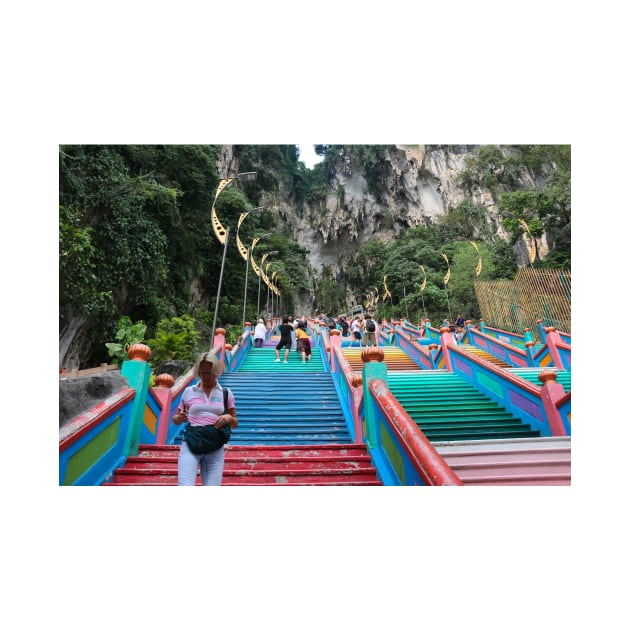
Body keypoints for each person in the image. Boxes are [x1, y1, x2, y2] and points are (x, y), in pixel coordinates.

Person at [172, 351, 238, 486]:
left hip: (215, 445)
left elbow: (235, 423)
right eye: (203, 373)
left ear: (216, 371)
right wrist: (180, 418)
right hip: (191, 442)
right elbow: (175, 418)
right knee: (185, 485)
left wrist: (228, 418)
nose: (206, 377)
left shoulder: (225, 393)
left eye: (210, 373)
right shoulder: (189, 392)